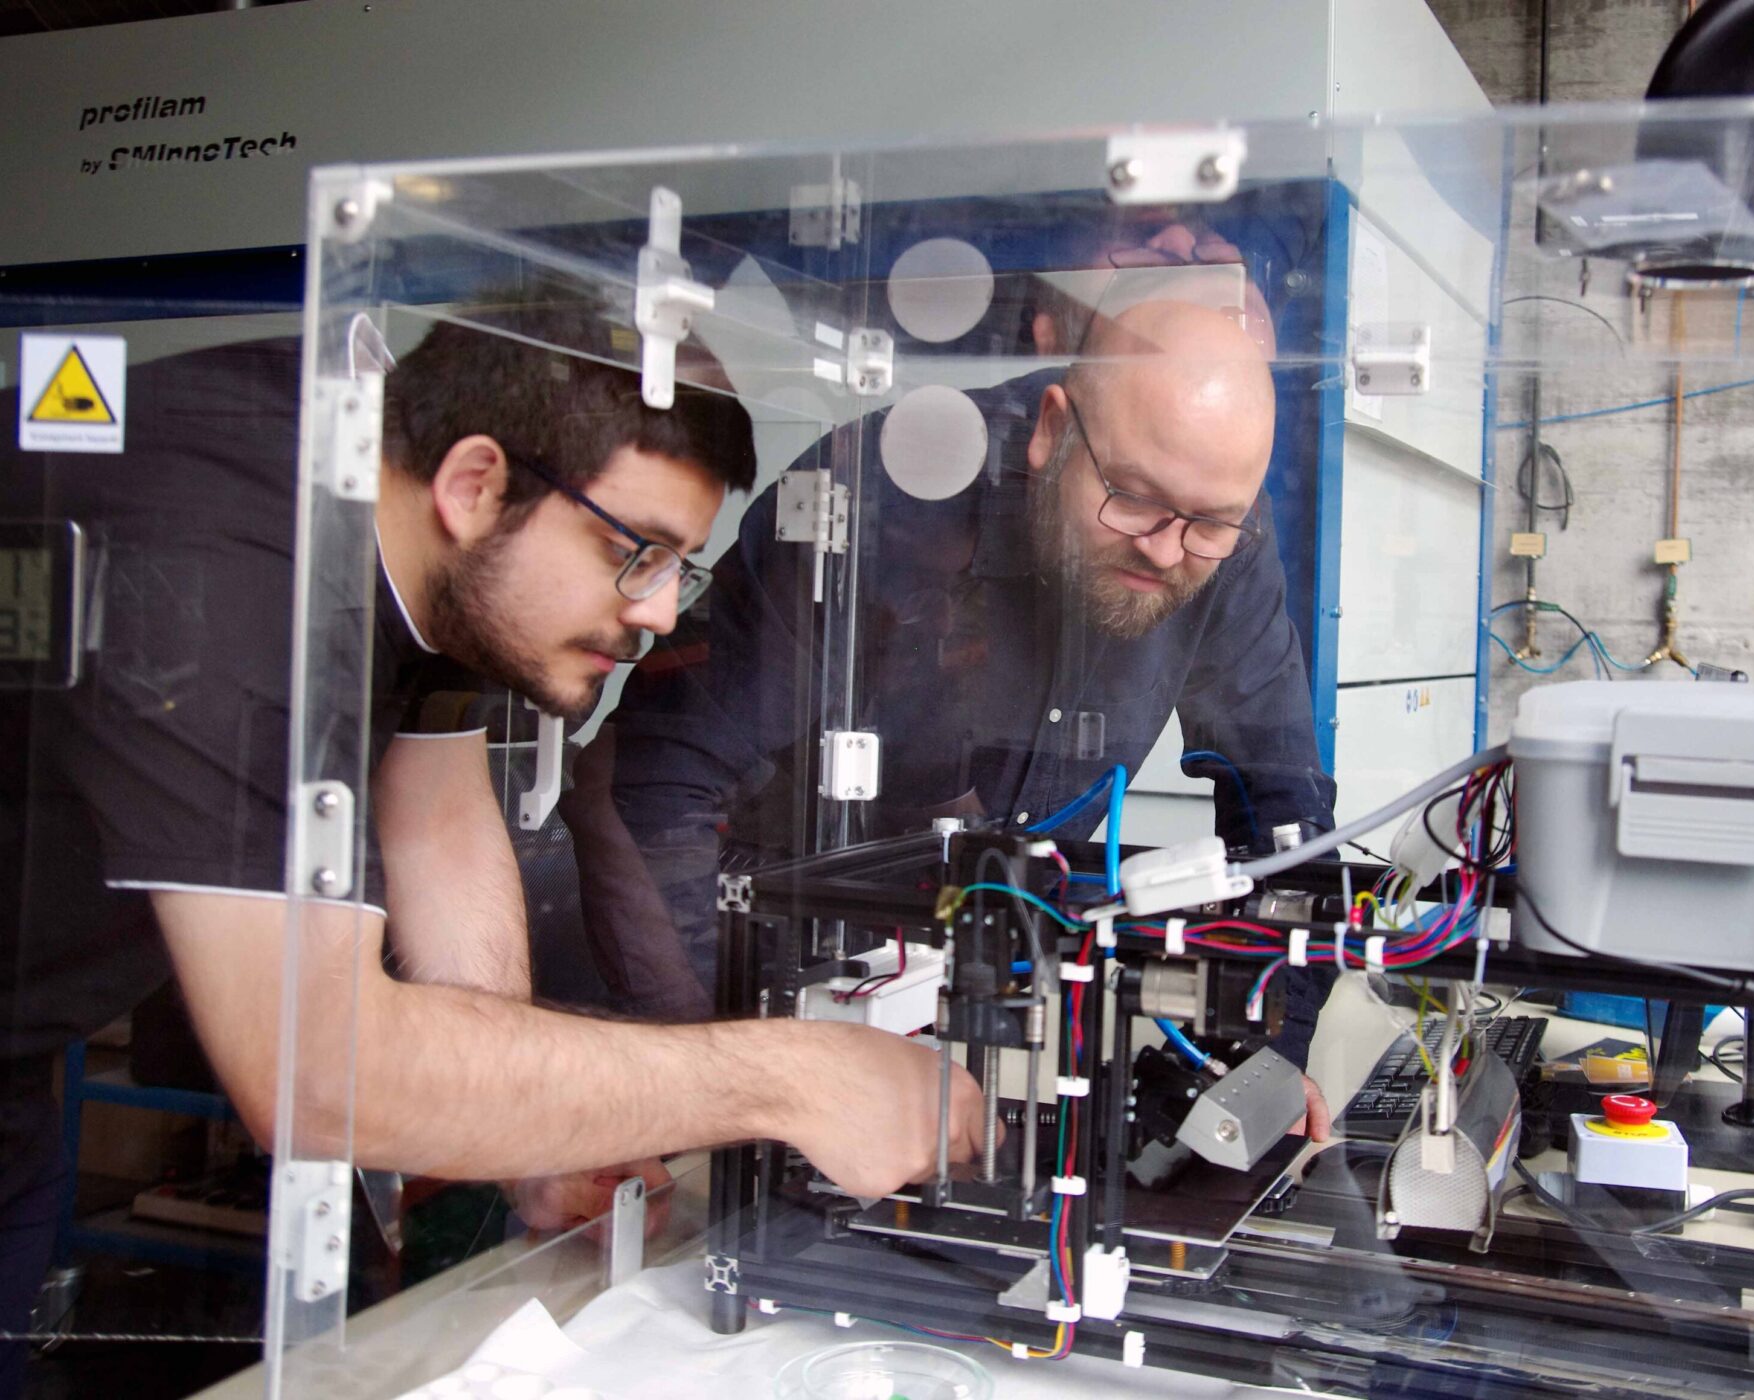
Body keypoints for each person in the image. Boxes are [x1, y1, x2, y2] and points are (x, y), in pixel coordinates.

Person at [0, 306, 988, 1395]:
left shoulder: (421, 541)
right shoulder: (223, 549)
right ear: (474, 484)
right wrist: (783, 1080)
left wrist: (534, 1133)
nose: (660, 610)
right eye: (637, 552)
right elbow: (315, 1070)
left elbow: (437, 817)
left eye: (679, 566)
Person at [609, 294, 1340, 1109]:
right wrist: (721, 1084)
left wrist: (1263, 1063)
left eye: (1208, 524)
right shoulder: (886, 496)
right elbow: (651, 787)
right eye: (1130, 499)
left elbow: (1283, 813)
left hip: (974, 998)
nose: (1169, 548)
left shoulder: (1225, 533)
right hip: (743, 968)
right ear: (1053, 432)